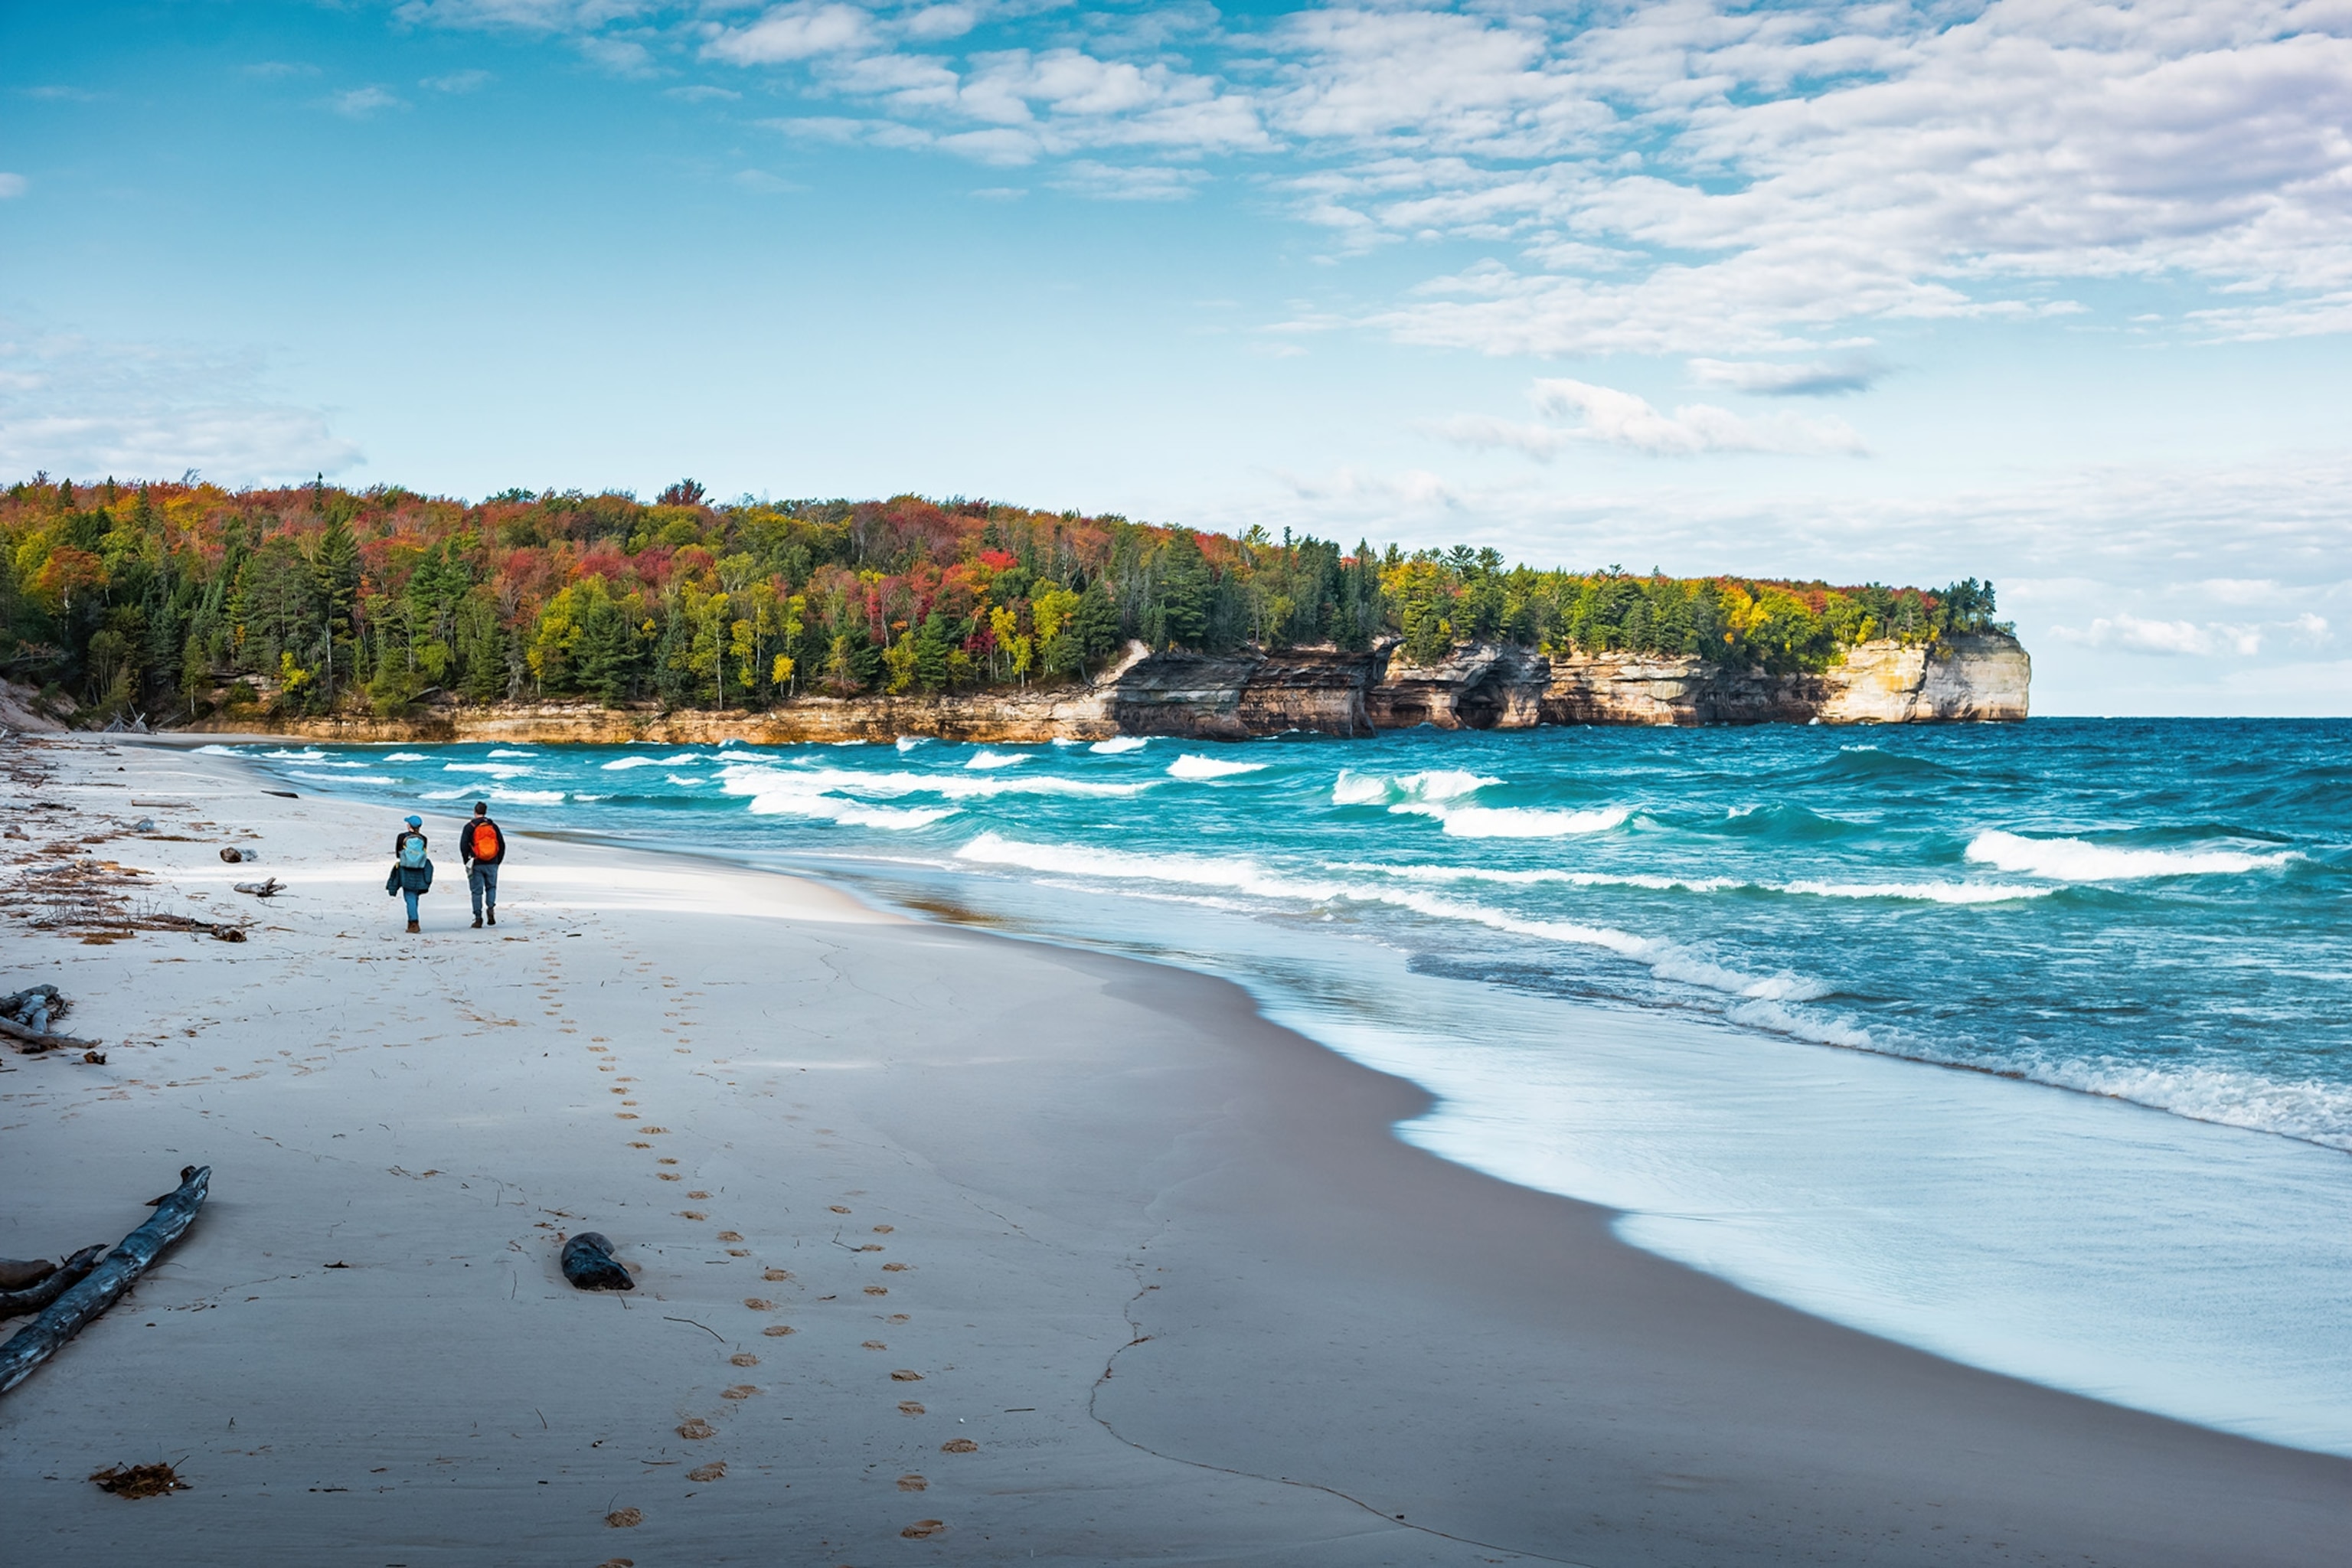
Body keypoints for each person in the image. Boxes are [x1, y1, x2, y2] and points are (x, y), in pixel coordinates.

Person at [384, 814, 433, 934]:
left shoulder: (402, 837)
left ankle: (413, 923)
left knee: (409, 895)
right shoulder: (424, 839)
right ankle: (412, 920)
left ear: (409, 825)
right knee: (415, 894)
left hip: (406, 868)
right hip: (420, 869)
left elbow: (398, 854)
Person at [461, 799, 505, 929]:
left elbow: (463, 846)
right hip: (492, 862)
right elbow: (502, 845)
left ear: (475, 812)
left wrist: (467, 862)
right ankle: (490, 908)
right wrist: (498, 861)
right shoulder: (493, 826)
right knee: (491, 887)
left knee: (476, 891)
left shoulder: (470, 827)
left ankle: (478, 918)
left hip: (475, 863)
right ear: (485, 812)